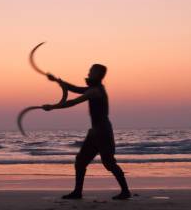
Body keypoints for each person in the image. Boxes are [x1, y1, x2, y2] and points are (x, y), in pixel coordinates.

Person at [43, 64, 131, 200]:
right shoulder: (92, 89)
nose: (88, 73)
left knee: (109, 163)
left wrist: (52, 107)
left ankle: (125, 191)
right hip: (94, 132)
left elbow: (73, 102)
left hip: (103, 132)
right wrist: (57, 80)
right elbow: (75, 89)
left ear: (97, 74)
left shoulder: (96, 91)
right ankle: (77, 192)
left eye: (91, 71)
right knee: (81, 161)